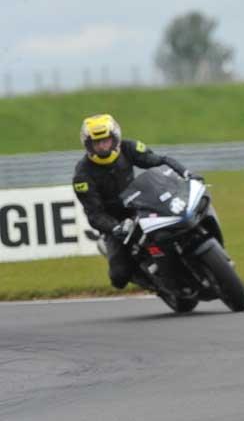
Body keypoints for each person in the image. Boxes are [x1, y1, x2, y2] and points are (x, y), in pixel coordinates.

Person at [72, 113, 196, 289]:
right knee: (119, 277)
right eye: (97, 143)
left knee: (179, 223)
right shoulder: (82, 175)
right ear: (88, 145)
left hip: (141, 204)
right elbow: (94, 213)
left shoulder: (128, 147)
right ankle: (153, 282)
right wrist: (114, 227)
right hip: (116, 222)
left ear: (115, 137)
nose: (102, 146)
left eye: (106, 140)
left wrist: (184, 172)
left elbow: (158, 161)